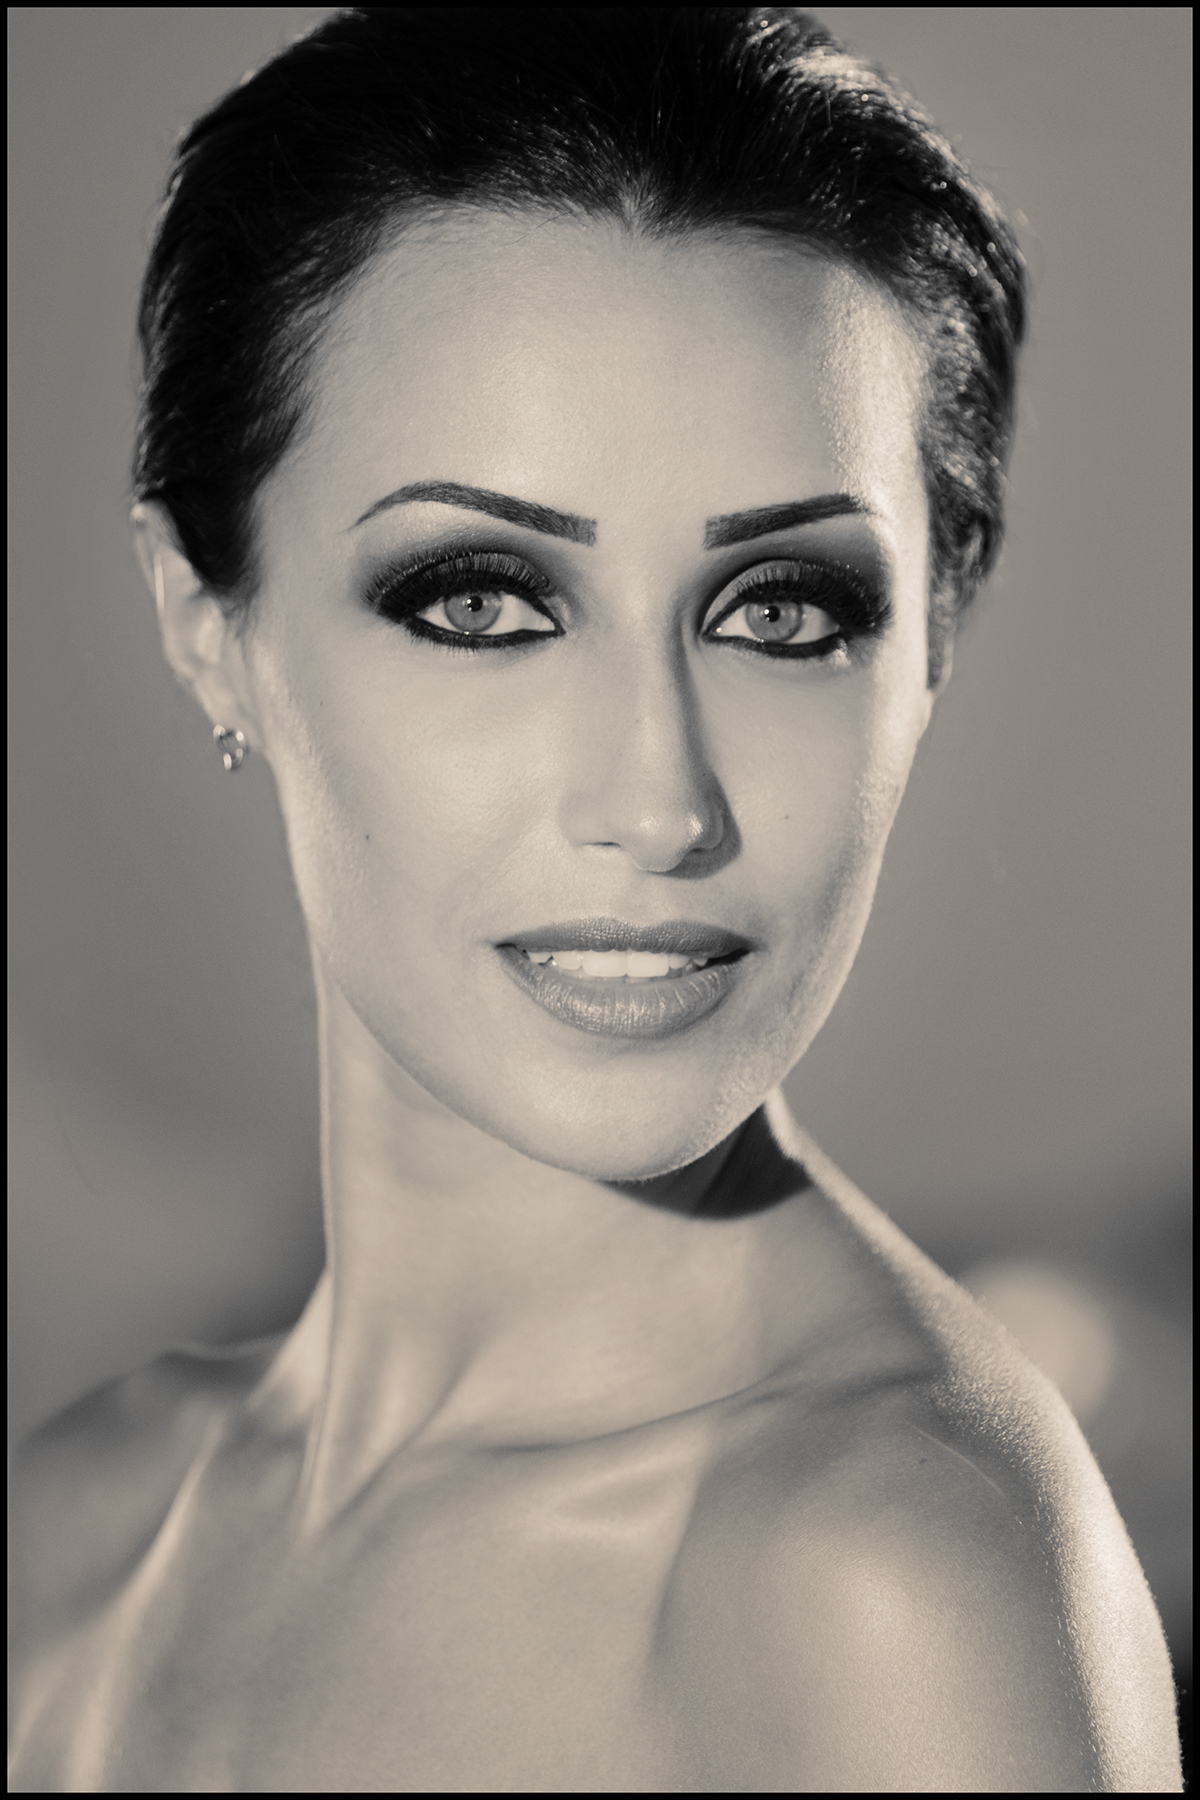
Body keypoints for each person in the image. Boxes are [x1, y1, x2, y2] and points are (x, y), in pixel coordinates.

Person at [7, 8, 1182, 1791]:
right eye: (482, 601)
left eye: (782, 610)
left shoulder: (890, 1582)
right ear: (207, 625)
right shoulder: (71, 1527)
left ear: (930, 644)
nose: (658, 803)